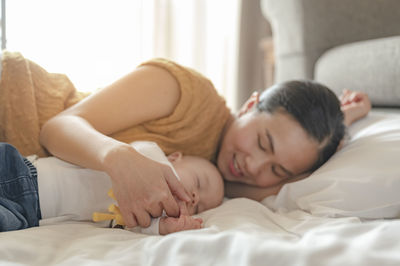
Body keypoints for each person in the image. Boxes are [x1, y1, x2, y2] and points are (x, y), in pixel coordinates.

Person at [0, 51, 371, 229]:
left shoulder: (222, 186)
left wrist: (340, 127)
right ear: (250, 104)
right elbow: (58, 128)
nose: (254, 166)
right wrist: (119, 158)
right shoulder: (188, 94)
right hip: (14, 98)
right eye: (262, 142)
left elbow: (288, 190)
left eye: (277, 169)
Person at [0, 141, 224, 234]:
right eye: (198, 182)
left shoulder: (147, 211)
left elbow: (135, 225)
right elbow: (141, 151)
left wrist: (164, 227)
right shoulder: (149, 156)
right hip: (22, 173)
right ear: (174, 158)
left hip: (25, 215)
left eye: (200, 206)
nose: (195, 197)